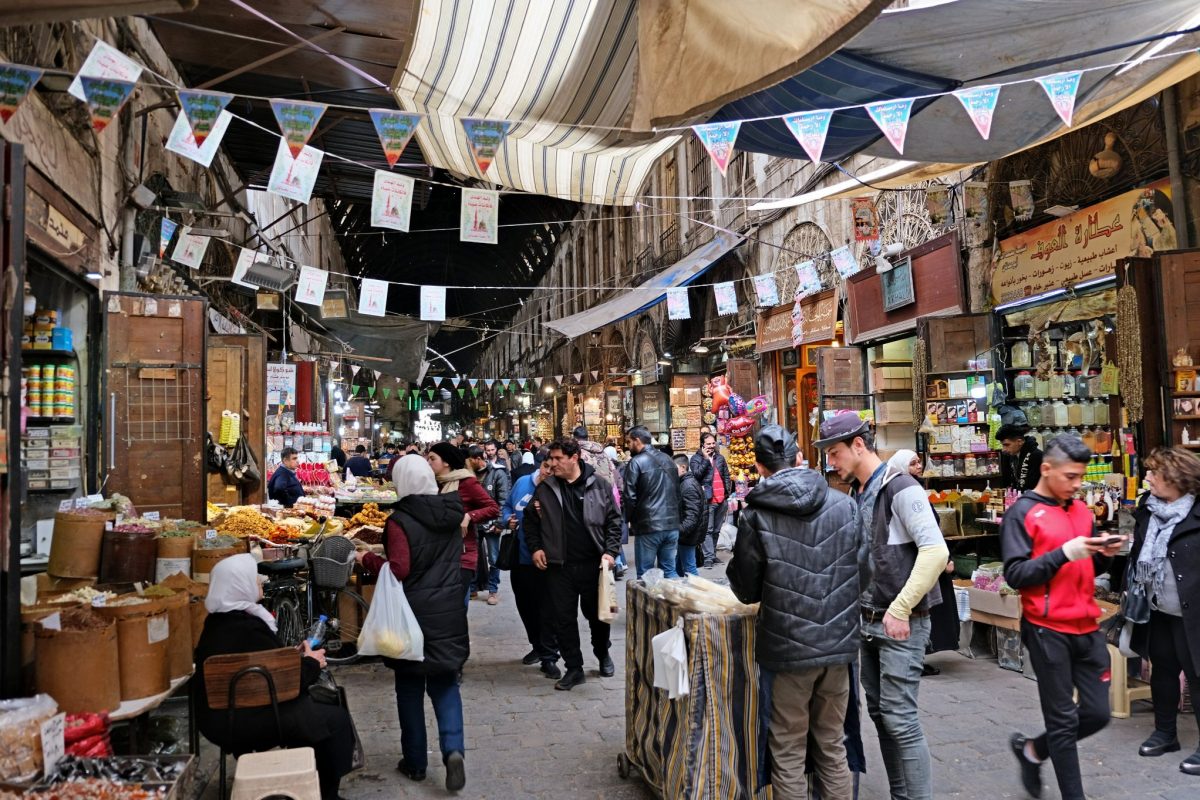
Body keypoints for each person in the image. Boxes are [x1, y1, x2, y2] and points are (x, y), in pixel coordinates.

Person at [816, 414, 948, 800]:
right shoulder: (861, 491)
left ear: (859, 445)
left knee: (900, 720)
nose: (832, 462)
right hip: (869, 621)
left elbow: (935, 551)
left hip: (899, 623)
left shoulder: (901, 487)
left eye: (836, 453)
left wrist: (901, 608)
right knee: (882, 716)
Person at [728, 426, 863, 800]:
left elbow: (746, 590)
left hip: (787, 649)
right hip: (838, 646)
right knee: (832, 744)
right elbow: (862, 571)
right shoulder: (844, 503)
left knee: (787, 747)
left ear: (758, 466)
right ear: (800, 458)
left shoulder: (755, 515)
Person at [1002, 435, 1125, 800]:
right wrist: (1065, 553)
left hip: (1087, 626)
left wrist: (1105, 553)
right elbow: (1017, 575)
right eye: (1070, 477)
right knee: (1063, 720)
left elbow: (1086, 563)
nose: (1076, 485)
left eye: (1080, 477)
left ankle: (1032, 751)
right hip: (1046, 629)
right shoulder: (1022, 512)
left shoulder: (1081, 511)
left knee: (1098, 714)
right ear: (1046, 469)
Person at [194, 554, 355, 800]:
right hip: (251, 718)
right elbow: (285, 684)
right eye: (253, 577)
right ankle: (326, 793)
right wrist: (313, 663)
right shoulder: (249, 627)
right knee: (335, 719)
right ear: (239, 584)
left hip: (220, 719)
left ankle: (305, 778)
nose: (260, 580)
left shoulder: (217, 624)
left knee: (315, 714)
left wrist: (291, 656)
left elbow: (263, 666)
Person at [356, 455, 468, 792]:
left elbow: (400, 568)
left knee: (408, 690)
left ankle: (416, 763)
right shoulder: (452, 511)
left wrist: (369, 559)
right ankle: (453, 751)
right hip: (448, 608)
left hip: (412, 613)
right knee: (446, 685)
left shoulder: (400, 521)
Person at [523, 438, 622, 691]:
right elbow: (530, 522)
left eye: (558, 459)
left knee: (599, 617)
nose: (552, 464)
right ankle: (574, 668)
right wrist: (536, 548)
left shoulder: (598, 485)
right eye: (551, 459)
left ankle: (603, 654)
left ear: (574, 458)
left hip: (593, 565)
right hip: (559, 567)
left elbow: (614, 521)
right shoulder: (546, 489)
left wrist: (610, 552)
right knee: (563, 619)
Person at [1125, 446, 1200, 774]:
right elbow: (1139, 553)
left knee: (1198, 678)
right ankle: (1165, 733)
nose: (1148, 479)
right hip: (1157, 609)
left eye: (1155, 473)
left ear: (1177, 478)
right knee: (1163, 671)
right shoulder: (1148, 509)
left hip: (1194, 612)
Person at [887, 449, 959, 676]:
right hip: (921, 563)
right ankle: (916, 657)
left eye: (919, 462)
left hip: (929, 559)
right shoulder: (905, 492)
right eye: (913, 463)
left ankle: (919, 655)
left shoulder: (913, 490)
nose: (919, 467)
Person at [503, 455, 561, 679]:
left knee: (547, 608)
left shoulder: (558, 488)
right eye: (546, 466)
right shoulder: (523, 482)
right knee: (525, 605)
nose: (548, 472)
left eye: (553, 469)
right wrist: (507, 518)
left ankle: (549, 656)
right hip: (520, 556)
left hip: (547, 558)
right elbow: (508, 505)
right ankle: (536, 644)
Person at [427, 441, 499, 603]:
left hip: (462, 554)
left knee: (456, 607)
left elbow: (493, 508)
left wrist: (469, 516)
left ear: (446, 462)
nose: (429, 462)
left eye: (433, 459)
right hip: (439, 553)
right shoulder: (434, 483)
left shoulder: (466, 482)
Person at [623, 425, 681, 578]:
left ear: (637, 441)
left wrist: (628, 519)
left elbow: (629, 496)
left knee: (645, 575)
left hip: (649, 526)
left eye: (629, 442)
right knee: (669, 570)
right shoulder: (668, 460)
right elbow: (678, 492)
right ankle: (672, 602)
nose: (628, 446)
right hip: (671, 524)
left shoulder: (636, 462)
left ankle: (648, 602)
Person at [471, 442, 511, 605]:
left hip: (492, 523)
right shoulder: (469, 475)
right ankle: (472, 587)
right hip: (473, 522)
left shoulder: (497, 473)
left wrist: (500, 523)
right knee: (473, 557)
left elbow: (503, 500)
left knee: (494, 558)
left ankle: (493, 590)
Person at [690, 432, 732, 568]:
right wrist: (706, 460)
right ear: (702, 444)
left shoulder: (720, 458)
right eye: (708, 443)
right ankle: (708, 557)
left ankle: (712, 555)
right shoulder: (696, 459)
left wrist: (727, 493)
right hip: (708, 499)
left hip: (721, 499)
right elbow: (696, 475)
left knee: (716, 530)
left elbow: (726, 475)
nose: (712, 446)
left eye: (713, 443)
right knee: (708, 530)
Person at [673, 454, 706, 577]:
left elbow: (692, 516)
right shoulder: (685, 482)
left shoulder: (688, 485)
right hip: (686, 534)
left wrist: (679, 530)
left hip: (688, 535)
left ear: (683, 467)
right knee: (679, 567)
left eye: (673, 467)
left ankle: (697, 594)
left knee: (690, 568)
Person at [999, 424, 1043, 493]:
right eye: (1003, 445)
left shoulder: (1037, 456)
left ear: (1019, 442)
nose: (1003, 449)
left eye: (1007, 445)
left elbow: (1034, 485)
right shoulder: (1012, 455)